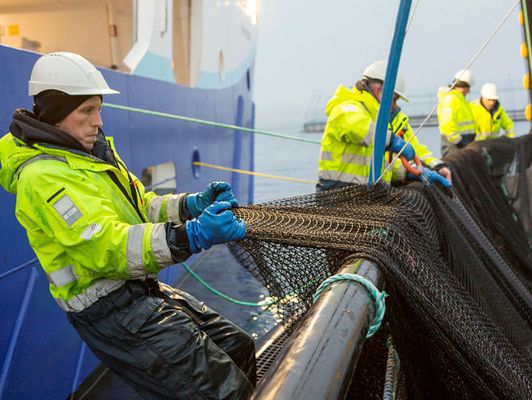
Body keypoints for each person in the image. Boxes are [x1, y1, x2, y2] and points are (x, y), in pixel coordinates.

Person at [0, 52, 255, 399]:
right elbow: (108, 247)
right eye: (86, 111)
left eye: (99, 108)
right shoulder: (43, 177)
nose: (98, 121)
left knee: (238, 347)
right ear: (57, 114)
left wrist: (192, 205)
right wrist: (192, 235)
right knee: (227, 391)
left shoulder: (90, 153)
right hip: (113, 312)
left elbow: (142, 206)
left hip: (139, 290)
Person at [317, 60, 449, 192]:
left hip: (367, 195)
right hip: (336, 194)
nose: (395, 106)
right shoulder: (346, 108)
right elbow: (361, 129)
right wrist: (394, 141)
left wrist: (414, 171)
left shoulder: (382, 120)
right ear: (378, 89)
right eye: (394, 99)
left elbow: (384, 163)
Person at [437, 69, 476, 157]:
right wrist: (459, 142)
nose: (469, 91)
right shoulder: (451, 99)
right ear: (463, 87)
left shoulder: (460, 100)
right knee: (453, 169)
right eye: (468, 88)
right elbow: (447, 125)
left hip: (464, 143)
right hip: (454, 145)